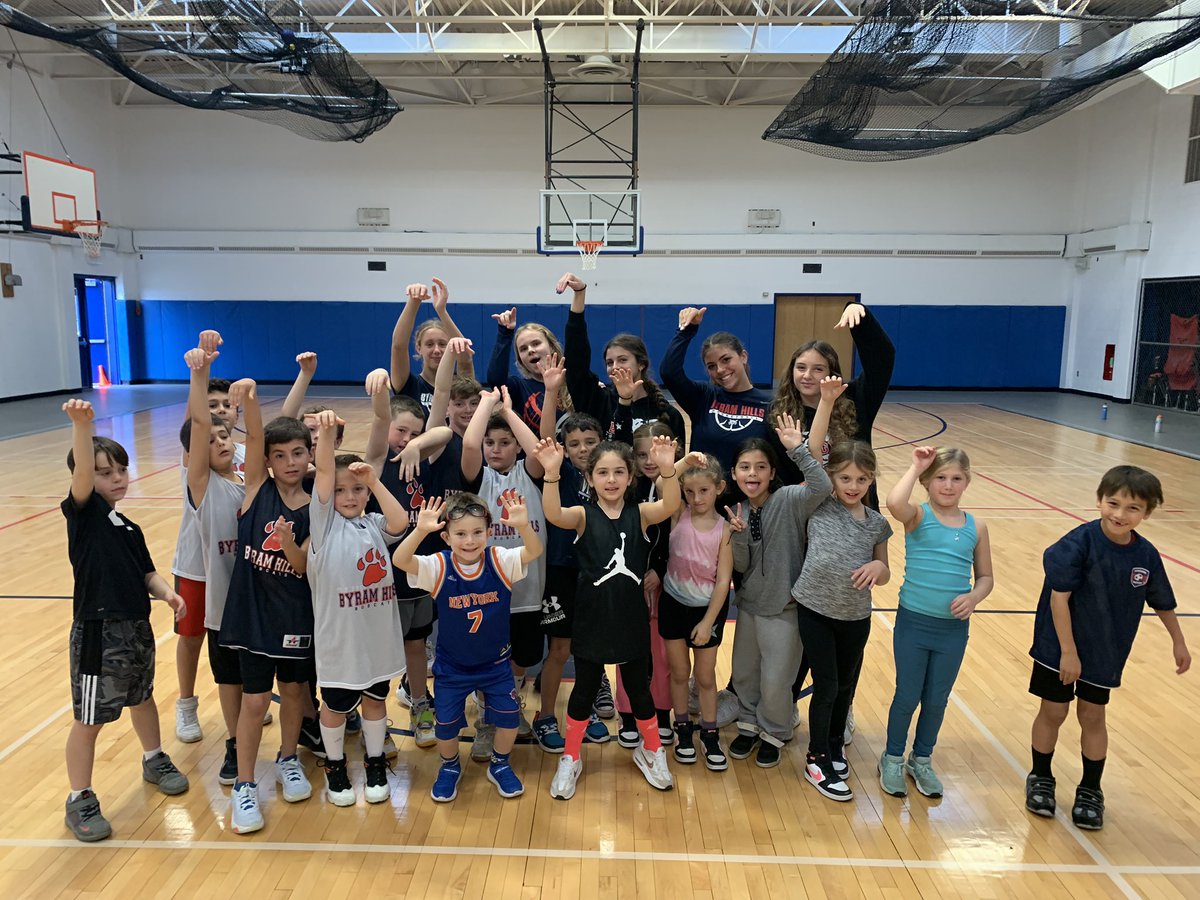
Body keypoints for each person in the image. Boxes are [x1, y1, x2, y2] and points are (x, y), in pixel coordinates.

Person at [1025, 466, 1190, 831]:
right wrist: (1068, 652)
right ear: (1100, 500)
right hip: (1058, 646)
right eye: (1113, 503)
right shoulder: (1078, 543)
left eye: (1133, 508)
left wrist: (1178, 640)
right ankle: (1040, 777)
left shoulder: (1145, 555)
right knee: (1053, 711)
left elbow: (1161, 600)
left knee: (1093, 716)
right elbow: (1059, 599)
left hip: (1104, 651)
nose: (1120, 514)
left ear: (1146, 513)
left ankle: (1090, 789)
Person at [61, 399, 189, 843]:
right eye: (105, 472)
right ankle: (79, 797)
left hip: (136, 627)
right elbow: (82, 475)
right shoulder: (84, 515)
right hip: (99, 632)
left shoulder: (128, 526)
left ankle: (154, 758)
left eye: (121, 470)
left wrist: (167, 592)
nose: (116, 478)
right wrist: (82, 426)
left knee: (142, 697)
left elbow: (146, 573)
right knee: (90, 718)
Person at [534, 434, 685, 799]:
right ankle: (571, 756)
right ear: (590, 478)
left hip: (630, 619)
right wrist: (551, 473)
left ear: (631, 477)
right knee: (584, 690)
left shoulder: (641, 514)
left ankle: (652, 750)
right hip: (592, 620)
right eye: (602, 472)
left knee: (638, 690)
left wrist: (668, 470)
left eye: (619, 472)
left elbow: (670, 504)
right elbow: (553, 514)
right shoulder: (582, 515)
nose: (612, 479)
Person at [393, 493, 544, 802]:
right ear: (446, 537)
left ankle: (500, 764)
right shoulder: (439, 565)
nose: (470, 540)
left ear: (489, 532)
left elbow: (534, 550)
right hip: (453, 668)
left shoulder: (499, 560)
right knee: (445, 728)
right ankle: (449, 766)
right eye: (460, 534)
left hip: (496, 665)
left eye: (477, 532)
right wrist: (420, 531)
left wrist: (523, 526)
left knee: (509, 720)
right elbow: (401, 560)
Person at [218, 381, 317, 834]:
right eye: (280, 455)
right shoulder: (257, 488)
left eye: (297, 453)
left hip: (295, 615)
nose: (290, 462)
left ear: (309, 454)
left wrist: (288, 542)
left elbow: (302, 566)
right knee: (255, 700)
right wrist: (252, 398)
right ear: (267, 462)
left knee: (294, 693)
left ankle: (288, 759)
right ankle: (244, 785)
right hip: (253, 616)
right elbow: (255, 435)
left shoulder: (317, 506)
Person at [724, 386, 835, 769]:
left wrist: (797, 449)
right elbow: (741, 566)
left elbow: (822, 486)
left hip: (785, 608)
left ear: (772, 473)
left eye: (760, 467)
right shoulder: (736, 510)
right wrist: (737, 536)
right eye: (744, 467)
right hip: (750, 607)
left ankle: (775, 731)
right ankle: (749, 724)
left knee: (777, 678)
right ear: (734, 473)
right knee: (745, 673)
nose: (752, 474)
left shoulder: (789, 499)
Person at [307, 408, 409, 807]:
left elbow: (400, 522)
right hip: (339, 641)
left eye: (357, 490)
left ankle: (374, 761)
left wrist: (374, 481)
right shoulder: (323, 526)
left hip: (375, 638)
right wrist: (326, 434)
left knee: (376, 700)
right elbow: (324, 473)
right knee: (334, 706)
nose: (349, 497)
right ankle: (335, 766)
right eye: (341, 490)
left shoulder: (373, 525)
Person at [881, 446, 994, 800]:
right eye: (941, 478)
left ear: (967, 482)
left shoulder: (977, 526)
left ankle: (922, 759)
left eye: (956, 478)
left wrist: (973, 598)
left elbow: (986, 577)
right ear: (928, 482)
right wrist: (916, 467)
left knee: (936, 699)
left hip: (953, 631)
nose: (948, 485)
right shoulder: (918, 516)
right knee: (907, 694)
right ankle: (892, 758)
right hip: (914, 623)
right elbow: (894, 502)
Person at [792, 441, 892, 801]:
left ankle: (835, 743)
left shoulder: (877, 524)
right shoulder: (819, 505)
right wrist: (798, 449)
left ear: (871, 480)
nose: (853, 486)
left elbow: (885, 573)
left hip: (855, 616)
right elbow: (810, 465)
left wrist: (878, 567)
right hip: (815, 610)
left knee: (846, 686)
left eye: (862, 479)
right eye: (845, 478)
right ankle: (816, 759)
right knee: (827, 685)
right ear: (831, 476)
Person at [461, 385, 550, 756]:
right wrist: (486, 404)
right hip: (487, 593)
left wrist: (510, 412)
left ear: (516, 447)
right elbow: (469, 445)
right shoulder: (478, 478)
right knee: (488, 659)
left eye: (504, 442)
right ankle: (487, 721)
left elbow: (540, 449)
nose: (495, 449)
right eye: (490, 442)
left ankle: (508, 708)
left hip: (527, 591)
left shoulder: (529, 475)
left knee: (520, 660)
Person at [532, 376, 613, 751]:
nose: (582, 449)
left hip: (596, 573)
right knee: (559, 650)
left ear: (602, 443)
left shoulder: (610, 477)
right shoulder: (560, 473)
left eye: (590, 442)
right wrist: (551, 392)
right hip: (560, 572)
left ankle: (583, 711)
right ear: (563, 448)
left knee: (587, 649)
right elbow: (545, 436)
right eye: (574, 443)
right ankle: (546, 715)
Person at [171, 368, 251, 744]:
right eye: (210, 405)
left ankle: (245, 703)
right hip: (196, 565)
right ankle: (186, 704)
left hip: (234, 565)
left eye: (225, 405)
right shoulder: (197, 460)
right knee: (191, 637)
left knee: (238, 640)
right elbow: (197, 424)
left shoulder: (243, 454)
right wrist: (198, 374)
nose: (219, 411)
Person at [768, 301, 895, 490]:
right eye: (801, 368)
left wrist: (861, 316)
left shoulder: (856, 398)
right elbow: (776, 468)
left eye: (818, 369)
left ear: (831, 373)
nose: (807, 375)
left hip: (854, 499)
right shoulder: (779, 411)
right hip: (803, 503)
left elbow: (883, 358)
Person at [659, 452, 733, 771]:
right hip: (673, 605)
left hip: (706, 612)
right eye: (689, 491)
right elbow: (662, 483)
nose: (696, 498)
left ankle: (710, 733)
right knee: (678, 673)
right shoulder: (678, 513)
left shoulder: (725, 529)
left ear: (719, 488)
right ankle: (683, 730)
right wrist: (685, 462)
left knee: (704, 676)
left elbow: (723, 581)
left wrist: (707, 622)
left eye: (704, 490)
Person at [558, 272, 685, 443]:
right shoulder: (600, 401)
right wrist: (580, 294)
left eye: (623, 360)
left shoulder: (668, 414)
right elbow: (576, 363)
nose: (615, 366)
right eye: (609, 362)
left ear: (641, 364)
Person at [659, 306, 772, 472]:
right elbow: (669, 372)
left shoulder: (769, 404)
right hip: (701, 488)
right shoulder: (703, 397)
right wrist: (686, 331)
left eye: (726, 360)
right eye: (711, 366)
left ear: (743, 356)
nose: (719, 370)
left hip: (749, 488)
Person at [390, 278, 474, 415]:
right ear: (418, 348)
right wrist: (414, 301)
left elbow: (465, 358)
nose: (436, 350)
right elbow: (398, 346)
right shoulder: (409, 384)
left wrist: (442, 311)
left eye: (442, 344)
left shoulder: (460, 384)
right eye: (429, 344)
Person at [486, 306, 570, 432]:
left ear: (551, 346)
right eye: (523, 349)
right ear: (521, 360)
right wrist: (505, 333)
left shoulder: (573, 382)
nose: (530, 350)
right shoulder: (520, 388)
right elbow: (496, 380)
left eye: (536, 343)